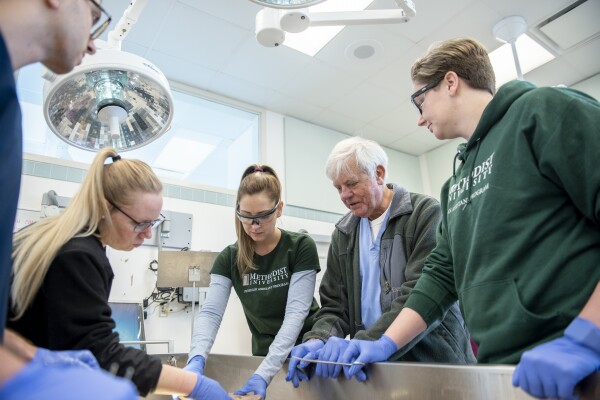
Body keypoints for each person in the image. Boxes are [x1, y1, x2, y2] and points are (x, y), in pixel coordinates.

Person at [340, 37, 600, 400]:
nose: (419, 118)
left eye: (420, 100)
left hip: (578, 364)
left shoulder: (543, 111)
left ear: (449, 82)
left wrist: (587, 336)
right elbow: (441, 276)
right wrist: (384, 343)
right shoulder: (455, 186)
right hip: (504, 373)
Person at [7, 147, 231, 400]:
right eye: (140, 223)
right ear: (105, 207)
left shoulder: (52, 236)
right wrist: (193, 385)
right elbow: (101, 356)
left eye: (153, 222)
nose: (147, 234)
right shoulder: (78, 255)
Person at [0, 0, 136, 398]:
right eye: (95, 19)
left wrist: (28, 357)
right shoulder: (80, 254)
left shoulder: (9, 100)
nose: (93, 45)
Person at [285, 136, 475, 387]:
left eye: (351, 184)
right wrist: (317, 339)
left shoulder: (425, 213)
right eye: (338, 187)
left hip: (435, 363)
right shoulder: (344, 234)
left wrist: (366, 342)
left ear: (379, 174)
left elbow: (419, 293)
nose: (345, 195)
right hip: (376, 369)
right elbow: (335, 307)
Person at [183, 164, 321, 399]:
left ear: (279, 209)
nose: (254, 226)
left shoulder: (299, 247)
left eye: (262, 216)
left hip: (306, 352)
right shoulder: (229, 258)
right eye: (246, 217)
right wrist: (196, 359)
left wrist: (263, 374)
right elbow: (211, 314)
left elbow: (295, 314)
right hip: (263, 354)